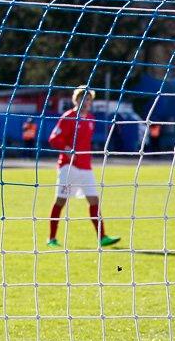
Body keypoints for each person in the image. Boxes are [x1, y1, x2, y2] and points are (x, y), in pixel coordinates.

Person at [47, 86, 120, 248]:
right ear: (76, 100)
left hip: (86, 167)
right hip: (68, 167)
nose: (86, 102)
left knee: (94, 199)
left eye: (88, 99)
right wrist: (66, 150)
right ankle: (51, 238)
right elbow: (53, 138)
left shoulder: (91, 119)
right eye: (83, 99)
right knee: (60, 200)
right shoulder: (68, 117)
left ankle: (102, 237)